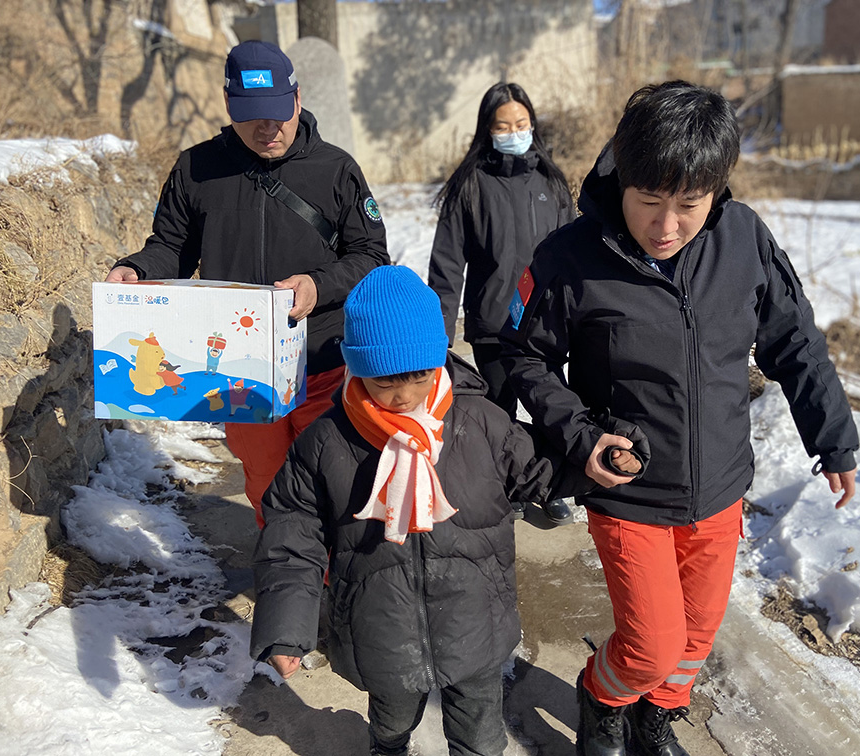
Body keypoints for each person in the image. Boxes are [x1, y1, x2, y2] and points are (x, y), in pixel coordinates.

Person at [498, 81, 860, 756]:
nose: (666, 226)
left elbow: (795, 341)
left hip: (719, 486)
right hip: (628, 489)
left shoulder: (744, 239)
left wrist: (833, 436)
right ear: (622, 178)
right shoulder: (569, 258)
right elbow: (526, 356)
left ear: (716, 191)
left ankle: (654, 718)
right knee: (650, 644)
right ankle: (603, 698)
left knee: (695, 635)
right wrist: (582, 436)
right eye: (649, 202)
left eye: (689, 205)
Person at [249, 265, 645, 756]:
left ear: (438, 361)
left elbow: (539, 468)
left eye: (418, 376)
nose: (404, 396)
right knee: (391, 722)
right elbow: (292, 533)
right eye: (385, 381)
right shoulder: (327, 442)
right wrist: (286, 627)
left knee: (480, 736)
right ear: (357, 367)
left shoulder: (479, 422)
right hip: (382, 630)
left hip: (474, 622)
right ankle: (388, 747)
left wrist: (600, 458)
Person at [105, 40, 389, 528]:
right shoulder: (195, 169)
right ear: (227, 103)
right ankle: (284, 561)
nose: (268, 128)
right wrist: (139, 269)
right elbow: (172, 246)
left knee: (337, 478)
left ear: (297, 98)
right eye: (252, 116)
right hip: (241, 372)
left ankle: (339, 567)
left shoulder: (336, 169)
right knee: (266, 480)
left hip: (324, 359)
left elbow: (371, 256)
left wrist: (318, 285)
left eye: (279, 112)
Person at [427, 82, 578, 525]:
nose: (514, 133)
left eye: (521, 124)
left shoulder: (551, 182)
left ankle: (551, 486)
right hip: (493, 324)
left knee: (550, 408)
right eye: (503, 126)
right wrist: (439, 334)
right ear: (487, 130)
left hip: (546, 325)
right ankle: (506, 485)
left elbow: (576, 255)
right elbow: (446, 267)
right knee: (497, 412)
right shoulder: (471, 187)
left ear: (533, 125)